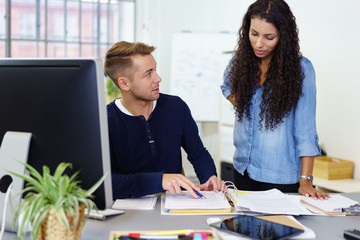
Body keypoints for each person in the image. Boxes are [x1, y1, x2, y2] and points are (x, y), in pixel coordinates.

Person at [221, 0, 329, 199]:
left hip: (279, 177)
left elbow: (306, 132)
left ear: (284, 36)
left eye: (269, 37)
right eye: (254, 34)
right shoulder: (240, 61)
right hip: (243, 169)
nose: (259, 44)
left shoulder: (302, 70)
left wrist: (306, 181)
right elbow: (226, 86)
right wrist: (246, 106)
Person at [105, 41, 222, 199]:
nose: (158, 78)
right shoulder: (106, 121)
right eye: (148, 73)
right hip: (129, 210)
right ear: (124, 83)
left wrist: (209, 177)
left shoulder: (176, 107)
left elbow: (198, 153)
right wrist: (159, 180)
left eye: (155, 70)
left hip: (174, 205)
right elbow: (106, 182)